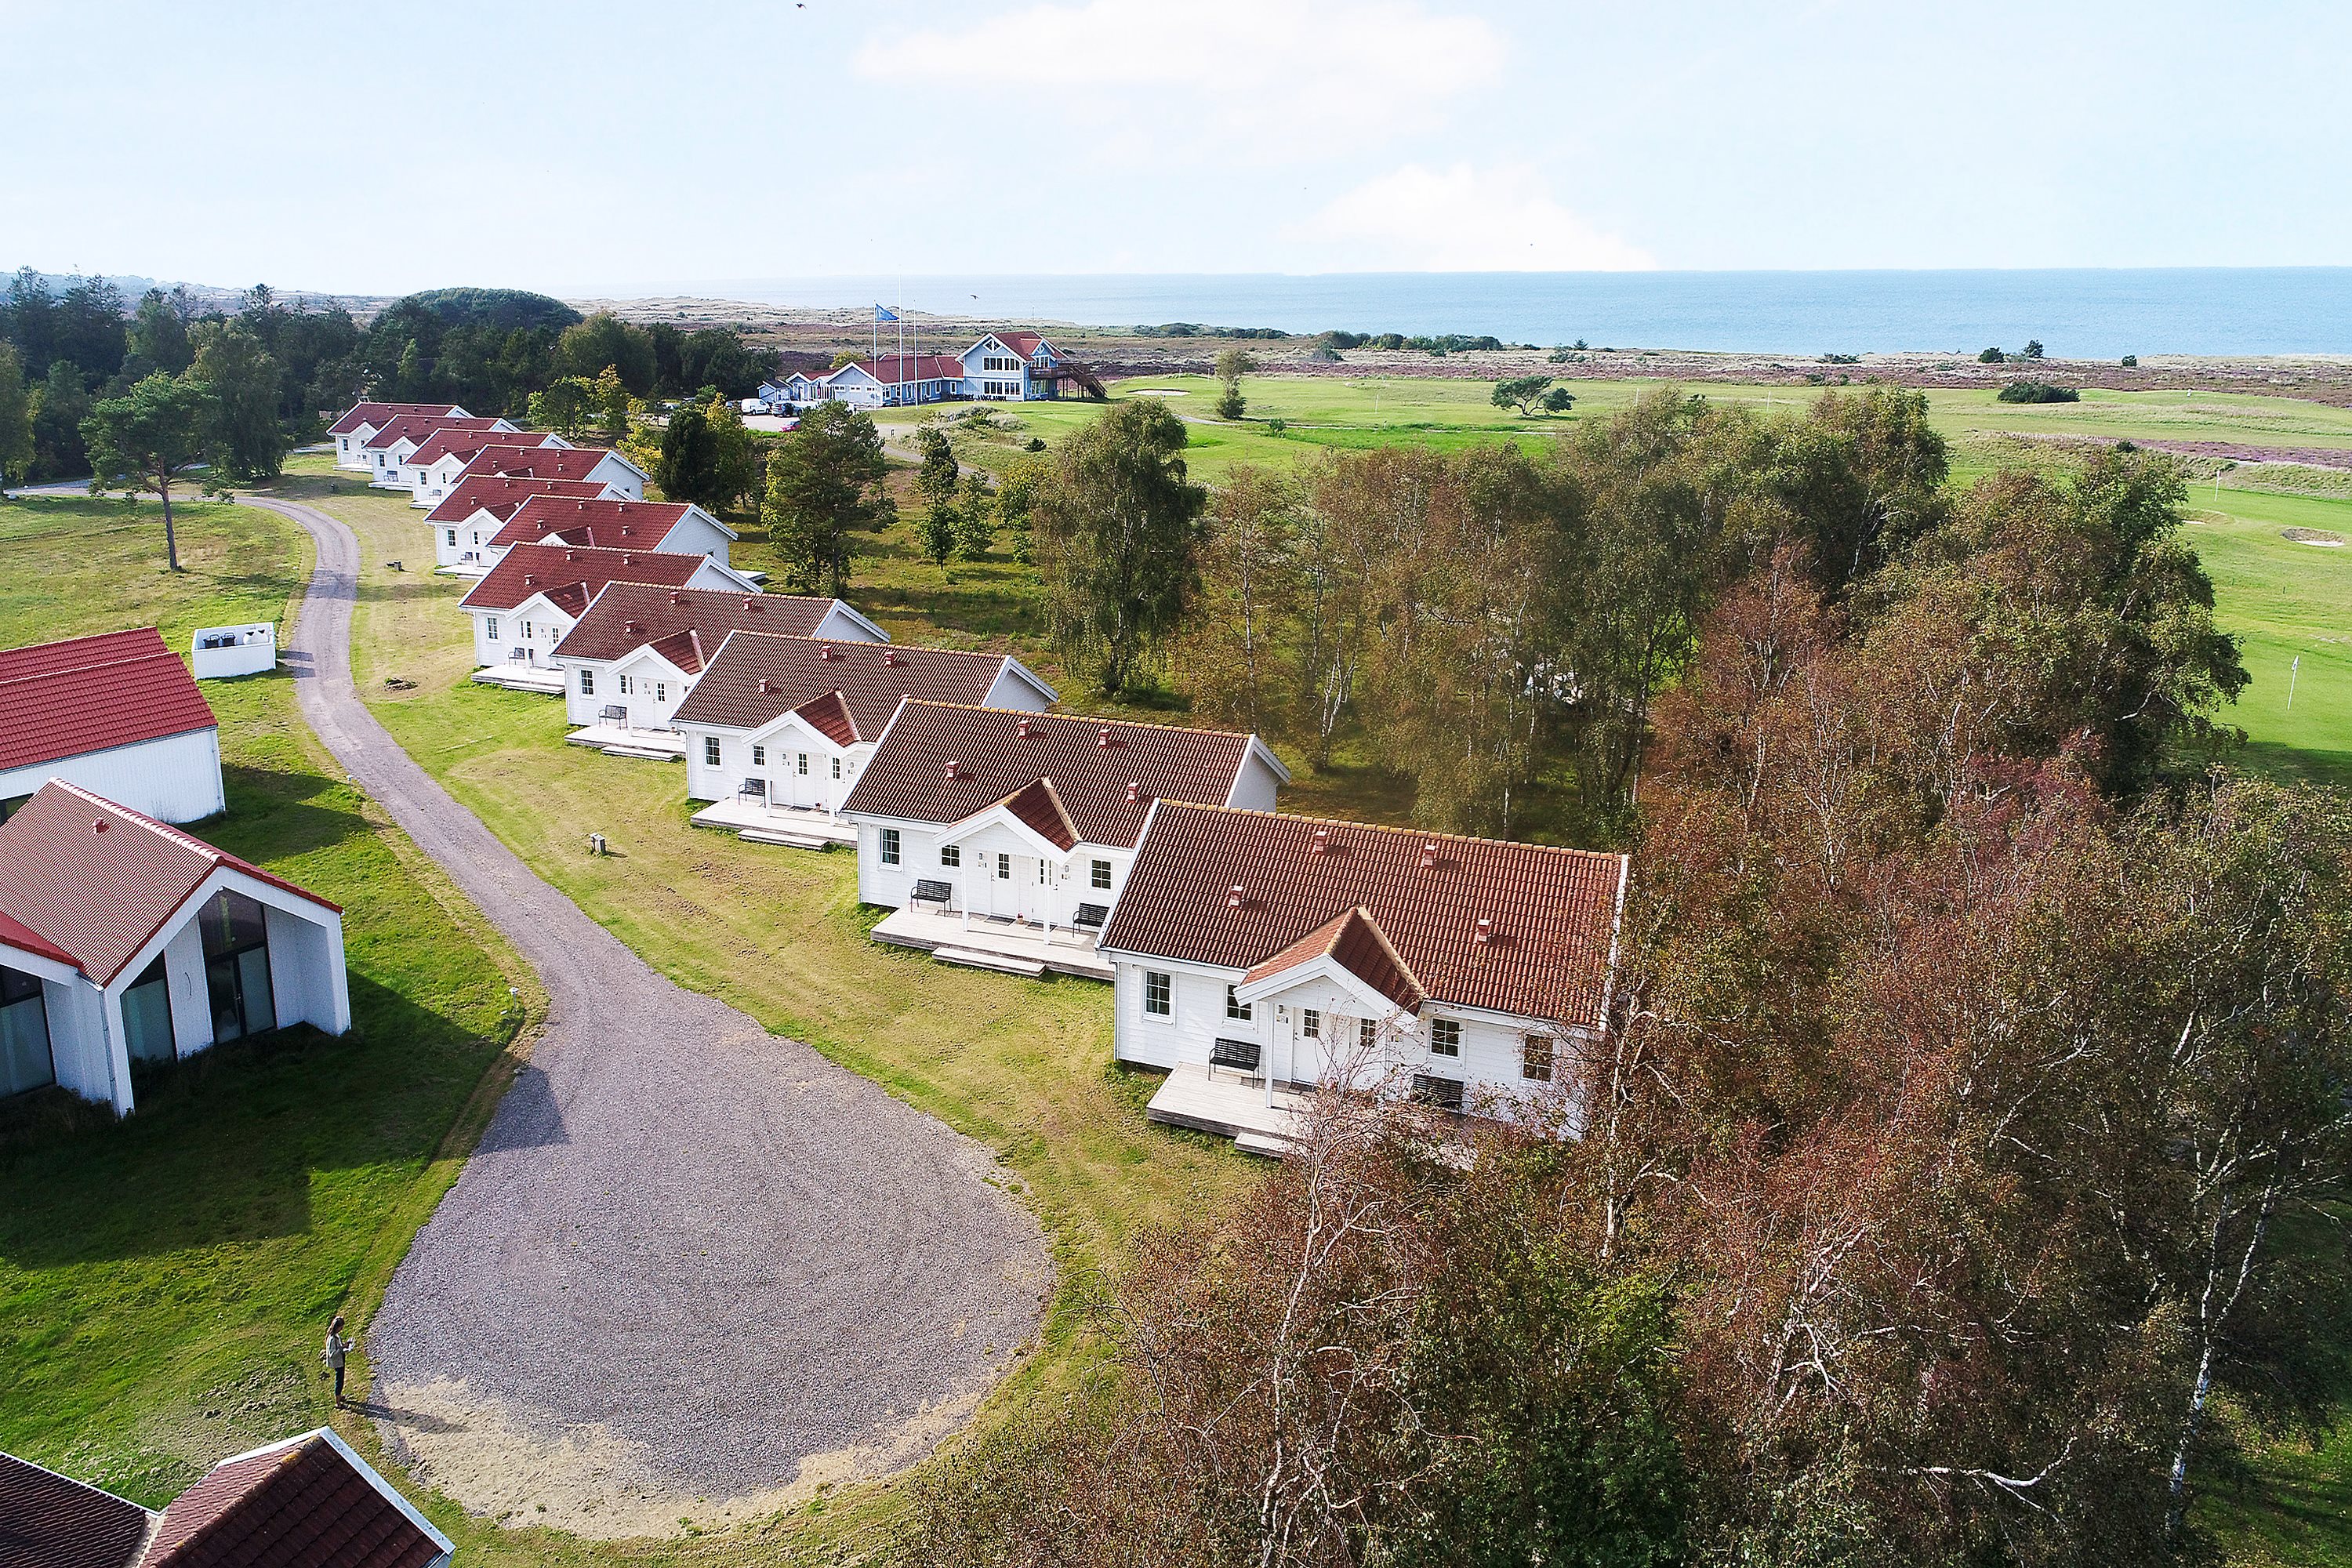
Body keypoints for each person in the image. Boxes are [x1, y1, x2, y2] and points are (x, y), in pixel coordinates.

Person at [322, 1315, 352, 1407]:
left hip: (340, 1361)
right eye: (341, 1327)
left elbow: (337, 1347)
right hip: (337, 1362)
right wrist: (342, 1348)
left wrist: (344, 1345)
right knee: (339, 1381)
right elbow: (332, 1353)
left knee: (341, 1380)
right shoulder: (332, 1339)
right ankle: (338, 1403)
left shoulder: (336, 1336)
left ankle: (339, 1396)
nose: (341, 1329)